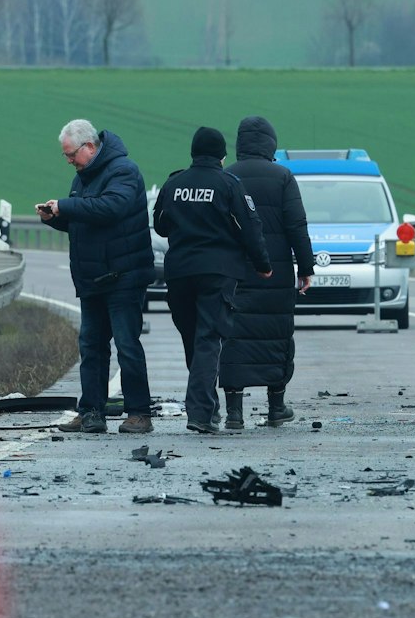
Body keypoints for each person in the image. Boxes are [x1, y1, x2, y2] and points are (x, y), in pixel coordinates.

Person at [150, 126, 271, 435]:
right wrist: (263, 264)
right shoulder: (229, 184)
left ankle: (206, 407)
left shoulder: (173, 184)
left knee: (193, 339)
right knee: (207, 339)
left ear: (193, 152)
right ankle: (202, 412)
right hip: (218, 273)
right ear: (222, 155)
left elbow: (160, 227)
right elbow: (250, 227)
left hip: (178, 274)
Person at [38, 119, 155, 435]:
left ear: (89, 146)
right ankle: (91, 412)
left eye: (71, 154)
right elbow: (85, 218)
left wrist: (66, 206)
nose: (69, 161)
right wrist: (56, 219)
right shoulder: (82, 178)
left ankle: (139, 413)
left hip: (124, 276)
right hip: (92, 279)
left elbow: (111, 208)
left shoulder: (123, 171)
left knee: (126, 345)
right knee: (91, 347)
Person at [221, 116, 315, 430]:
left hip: (235, 272)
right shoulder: (283, 176)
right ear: (270, 144)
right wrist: (306, 268)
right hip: (276, 272)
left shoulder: (227, 175)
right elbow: (296, 226)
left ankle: (234, 412)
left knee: (234, 337)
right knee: (276, 334)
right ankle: (276, 405)